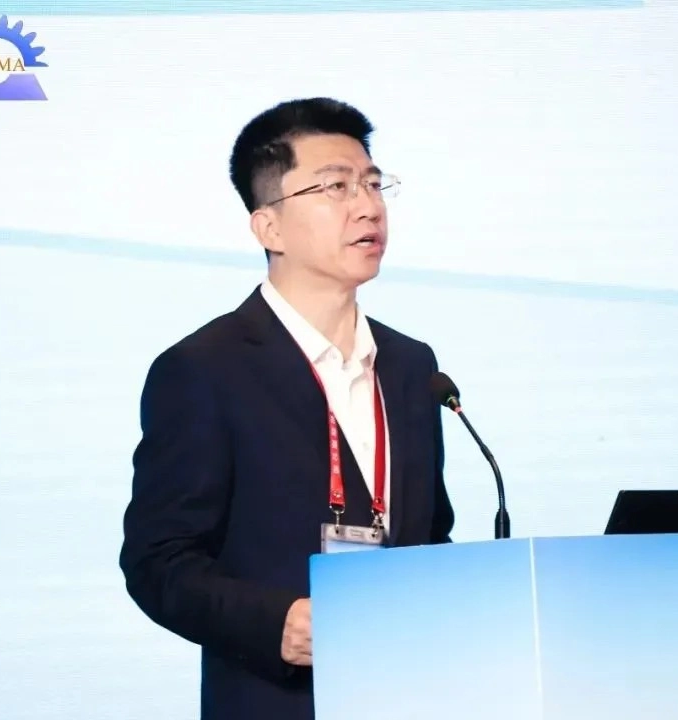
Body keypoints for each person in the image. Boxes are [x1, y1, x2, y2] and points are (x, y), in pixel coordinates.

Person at [119, 97, 455, 720]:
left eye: (372, 183)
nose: (367, 206)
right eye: (334, 187)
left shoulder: (413, 367)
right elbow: (157, 562)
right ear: (268, 228)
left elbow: (432, 537)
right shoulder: (206, 370)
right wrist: (276, 623)